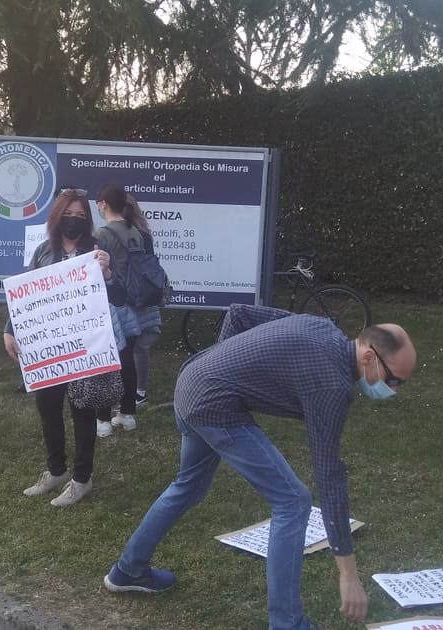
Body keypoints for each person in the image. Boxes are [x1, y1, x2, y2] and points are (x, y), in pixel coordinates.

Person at [103, 303, 416, 629]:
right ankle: (287, 624)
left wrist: (218, 362)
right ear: (369, 358)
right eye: (394, 380)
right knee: (293, 502)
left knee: (189, 486)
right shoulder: (331, 385)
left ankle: (128, 570)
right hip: (213, 404)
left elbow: (239, 314)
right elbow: (328, 475)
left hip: (192, 380)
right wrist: (348, 573)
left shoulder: (323, 327)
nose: (393, 390)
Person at [2, 188, 126, 507]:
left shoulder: (98, 250)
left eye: (80, 216)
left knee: (82, 409)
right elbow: (25, 297)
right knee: (47, 406)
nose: (73, 221)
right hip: (48, 348)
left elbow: (122, 297)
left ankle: (82, 479)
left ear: (87, 220)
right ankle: (55, 470)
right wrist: (10, 329)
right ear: (57, 218)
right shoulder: (44, 251)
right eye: (68, 215)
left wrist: (108, 272)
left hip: (85, 347)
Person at [91, 184, 144, 436]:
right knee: (127, 360)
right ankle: (127, 414)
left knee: (106, 361)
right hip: (133, 301)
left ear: (102, 204)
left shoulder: (102, 233)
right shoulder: (136, 230)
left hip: (110, 301)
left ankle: (102, 420)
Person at [124, 194, 162, 406]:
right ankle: (137, 391)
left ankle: (137, 392)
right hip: (141, 294)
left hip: (133, 295)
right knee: (138, 345)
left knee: (136, 345)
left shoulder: (135, 234)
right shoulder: (143, 232)